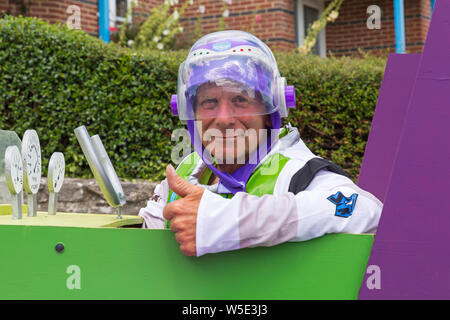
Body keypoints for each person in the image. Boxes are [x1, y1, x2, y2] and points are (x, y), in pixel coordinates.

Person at [139, 30, 382, 257]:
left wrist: (231, 221)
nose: (223, 119)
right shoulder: (187, 170)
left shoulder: (296, 172)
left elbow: (367, 211)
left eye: (240, 99)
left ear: (270, 112)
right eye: (209, 102)